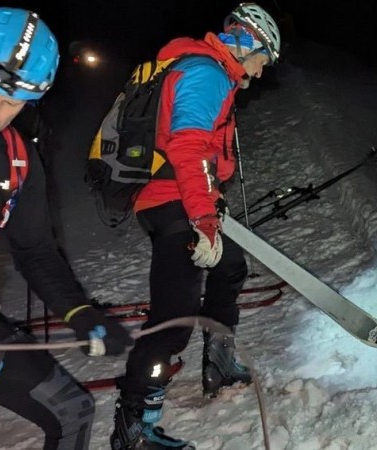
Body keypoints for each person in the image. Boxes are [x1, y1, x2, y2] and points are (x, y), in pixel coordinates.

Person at [0, 7, 133, 450]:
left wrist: (80, 313)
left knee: (73, 411)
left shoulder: (17, 161)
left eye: (11, 103)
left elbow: (35, 251)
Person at [108, 3, 281, 449]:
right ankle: (135, 430)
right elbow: (188, 148)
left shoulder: (207, 71)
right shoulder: (206, 75)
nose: (260, 73)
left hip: (179, 198)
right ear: (246, 42)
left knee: (230, 267)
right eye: (263, 59)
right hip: (174, 201)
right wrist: (203, 218)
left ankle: (218, 364)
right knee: (174, 317)